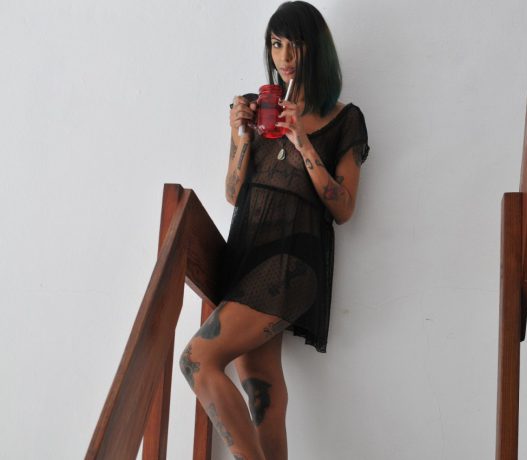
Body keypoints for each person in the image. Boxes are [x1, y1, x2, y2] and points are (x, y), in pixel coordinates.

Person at [179, 2, 369, 459]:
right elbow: (233, 193)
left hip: (290, 265)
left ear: (316, 49)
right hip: (246, 259)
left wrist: (301, 141)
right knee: (261, 390)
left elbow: (344, 208)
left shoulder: (344, 119)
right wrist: (242, 138)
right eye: (276, 43)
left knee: (196, 360)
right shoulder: (256, 106)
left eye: (294, 44)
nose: (283, 56)